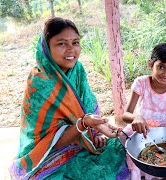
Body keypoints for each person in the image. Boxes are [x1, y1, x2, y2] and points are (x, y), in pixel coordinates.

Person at [9, 17, 130, 179]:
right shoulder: (40, 82)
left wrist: (96, 133)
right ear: (46, 47)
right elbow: (53, 142)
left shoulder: (77, 70)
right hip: (48, 153)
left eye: (75, 42)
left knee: (125, 151)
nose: (71, 50)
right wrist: (84, 123)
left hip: (80, 139)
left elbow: (86, 106)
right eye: (61, 43)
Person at [122, 43, 166, 179]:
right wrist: (137, 117)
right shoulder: (141, 83)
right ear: (151, 64)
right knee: (130, 148)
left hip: (164, 129)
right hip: (142, 129)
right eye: (161, 67)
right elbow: (126, 115)